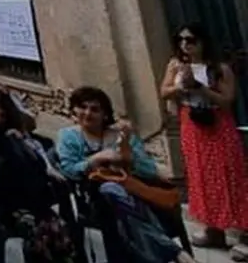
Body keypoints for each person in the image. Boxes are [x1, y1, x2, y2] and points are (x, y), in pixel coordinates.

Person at [57, 86, 196, 263]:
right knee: (110, 188)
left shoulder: (120, 136)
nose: (87, 113)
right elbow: (68, 170)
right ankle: (176, 253)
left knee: (129, 219)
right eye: (82, 107)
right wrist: (96, 158)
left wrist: (128, 155)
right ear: (74, 110)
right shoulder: (68, 136)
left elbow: (149, 169)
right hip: (96, 201)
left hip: (135, 194)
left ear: (105, 114)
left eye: (95, 109)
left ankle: (169, 253)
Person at [159, 26, 248, 253]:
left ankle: (243, 232)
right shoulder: (176, 65)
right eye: (181, 40)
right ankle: (213, 230)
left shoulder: (220, 68)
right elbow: (164, 91)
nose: (185, 45)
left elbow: (227, 101)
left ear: (203, 42)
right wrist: (180, 86)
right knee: (201, 176)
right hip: (192, 125)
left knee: (230, 174)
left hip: (217, 124)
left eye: (191, 40)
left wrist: (200, 87)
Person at [0, 88, 71, 263]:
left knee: (25, 157)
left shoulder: (9, 131)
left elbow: (34, 159)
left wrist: (17, 137)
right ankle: (36, 215)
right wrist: (6, 141)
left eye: (2, 115)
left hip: (13, 182)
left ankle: (44, 223)